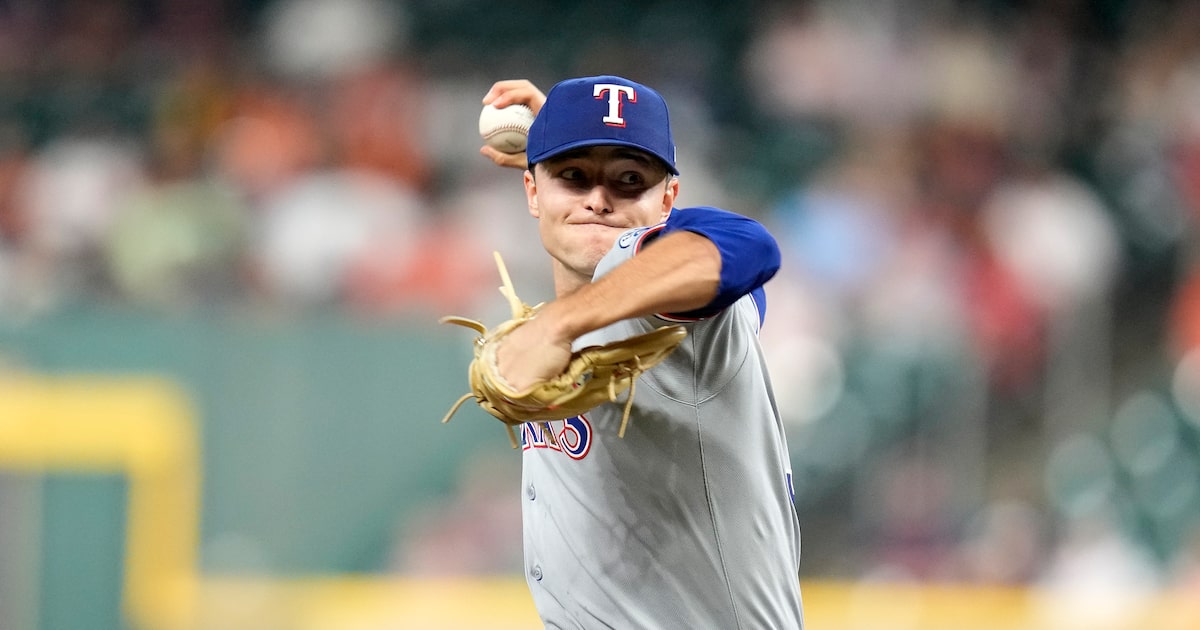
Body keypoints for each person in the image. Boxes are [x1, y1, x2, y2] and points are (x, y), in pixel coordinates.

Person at [479, 75, 804, 629]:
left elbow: (750, 245)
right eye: (573, 176)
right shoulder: (690, 306)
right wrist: (562, 133)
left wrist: (560, 323)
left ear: (669, 199)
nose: (598, 200)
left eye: (630, 180)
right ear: (532, 190)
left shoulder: (650, 286)